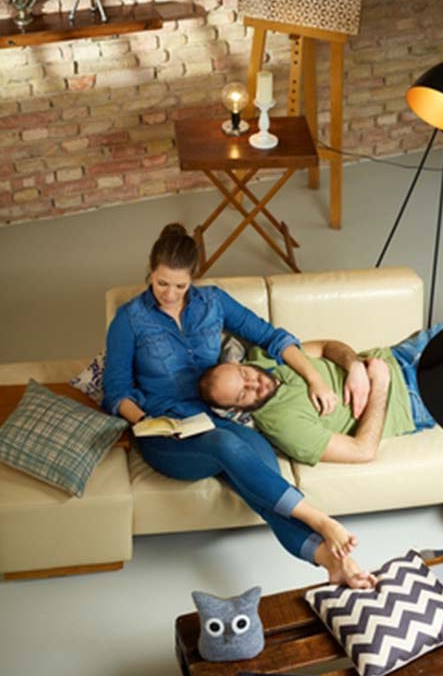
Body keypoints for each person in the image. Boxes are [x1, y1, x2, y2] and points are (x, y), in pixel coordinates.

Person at [101, 223, 375, 588]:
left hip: (211, 420)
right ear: (150, 271)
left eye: (180, 285)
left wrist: (315, 378)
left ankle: (331, 561)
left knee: (260, 471)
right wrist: (147, 420)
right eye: (161, 283)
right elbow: (115, 390)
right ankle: (321, 521)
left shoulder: (213, 302)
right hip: (164, 434)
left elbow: (272, 337)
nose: (170, 294)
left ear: (192, 278)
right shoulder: (130, 319)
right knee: (225, 444)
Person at [199, 302, 443, 466]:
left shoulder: (266, 358)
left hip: (401, 354)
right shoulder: (284, 426)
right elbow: (362, 451)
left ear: (239, 364)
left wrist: (354, 368)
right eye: (243, 394)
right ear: (237, 410)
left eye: (244, 376)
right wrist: (379, 383)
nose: (254, 383)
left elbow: (326, 347)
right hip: (415, 398)